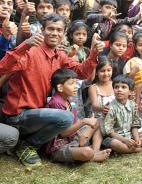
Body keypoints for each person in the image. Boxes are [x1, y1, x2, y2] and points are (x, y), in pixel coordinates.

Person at [0, 13, 104, 167]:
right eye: (50, 29)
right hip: (19, 115)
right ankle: (28, 145)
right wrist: (26, 44)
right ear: (42, 30)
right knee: (66, 118)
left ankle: (28, 143)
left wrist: (94, 52)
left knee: (64, 117)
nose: (55, 33)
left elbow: (81, 73)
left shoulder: (60, 55)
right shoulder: (31, 51)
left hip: (38, 115)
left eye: (59, 30)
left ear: (63, 34)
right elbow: (3, 67)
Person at [45, 68, 111, 163]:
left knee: (99, 121)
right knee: (86, 152)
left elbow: (74, 125)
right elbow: (63, 133)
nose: (76, 86)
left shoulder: (69, 101)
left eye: (76, 83)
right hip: (58, 148)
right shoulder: (55, 103)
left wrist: (80, 137)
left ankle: (95, 150)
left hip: (72, 140)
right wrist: (83, 121)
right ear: (60, 87)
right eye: (71, 84)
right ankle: (92, 155)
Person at [102, 74, 142, 153]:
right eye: (116, 87)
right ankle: (140, 149)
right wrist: (124, 140)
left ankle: (130, 148)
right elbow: (110, 132)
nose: (119, 89)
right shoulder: (110, 108)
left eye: (123, 87)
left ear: (130, 92)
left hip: (129, 136)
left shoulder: (132, 105)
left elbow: (134, 126)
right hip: (116, 138)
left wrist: (137, 139)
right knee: (114, 143)